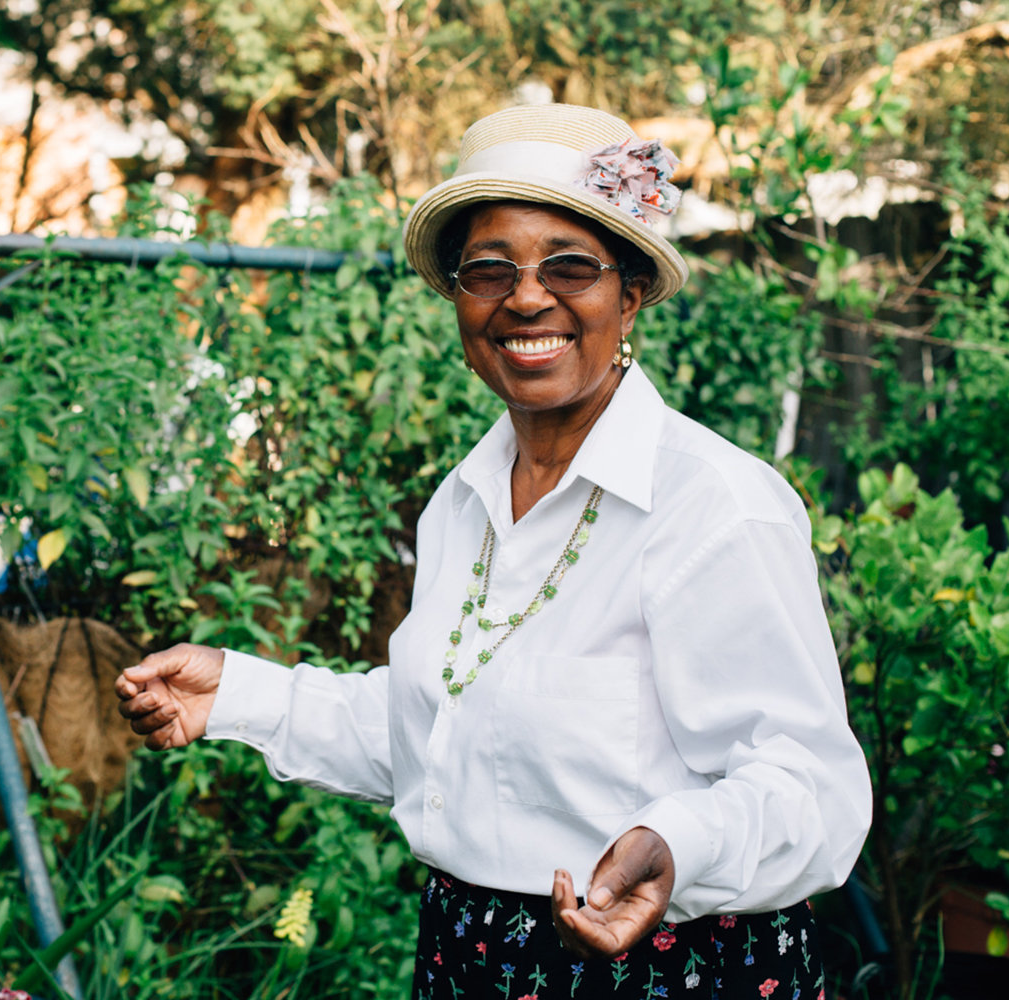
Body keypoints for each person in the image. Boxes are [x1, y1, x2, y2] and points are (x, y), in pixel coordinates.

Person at [115, 104, 871, 999]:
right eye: (489, 271)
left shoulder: (714, 506)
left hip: (662, 970)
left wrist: (679, 844)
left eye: (570, 266)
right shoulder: (462, 505)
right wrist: (240, 693)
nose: (524, 297)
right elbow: (445, 734)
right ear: (460, 304)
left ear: (628, 294)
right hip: (468, 959)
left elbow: (812, 787)